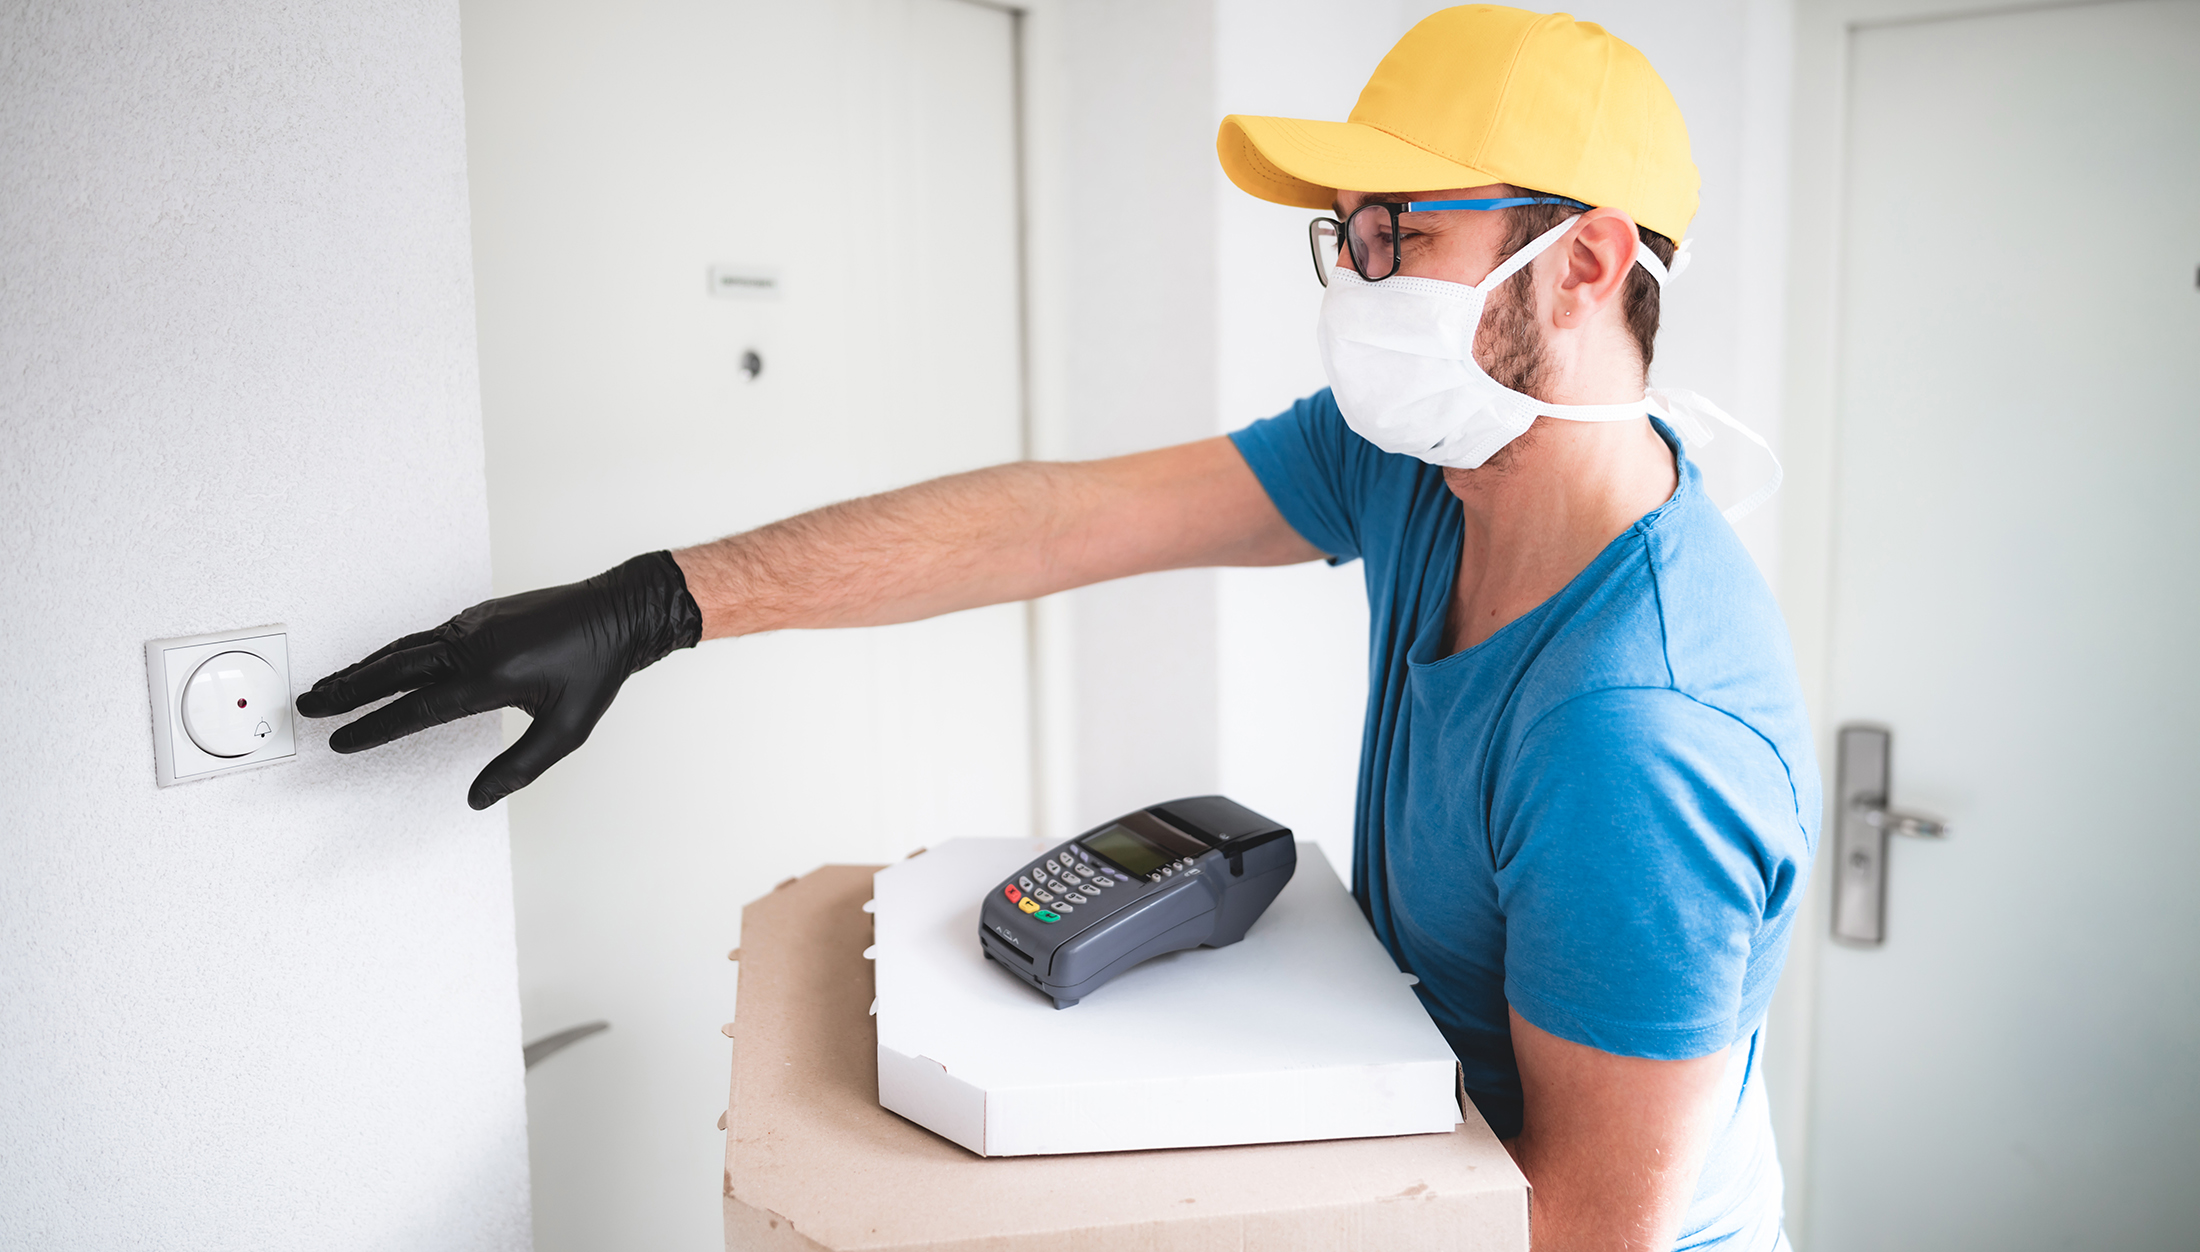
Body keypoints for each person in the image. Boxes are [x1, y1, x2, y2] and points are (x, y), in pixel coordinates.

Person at [297, 8, 1817, 1249]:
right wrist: (655, 603)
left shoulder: (1642, 738)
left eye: (1397, 233)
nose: (1354, 279)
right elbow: (1051, 520)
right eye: (1342, 238)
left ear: (1592, 260)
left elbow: (1589, 1237)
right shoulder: (1431, 470)